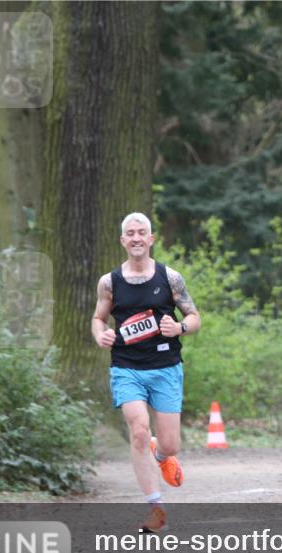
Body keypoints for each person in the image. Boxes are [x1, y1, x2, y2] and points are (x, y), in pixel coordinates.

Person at [92, 212, 201, 533]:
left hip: (166, 367)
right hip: (126, 367)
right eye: (130, 233)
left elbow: (195, 317)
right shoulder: (109, 282)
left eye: (142, 232)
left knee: (170, 445)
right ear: (123, 241)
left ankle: (160, 453)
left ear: (151, 239)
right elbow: (99, 318)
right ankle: (156, 509)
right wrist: (101, 334)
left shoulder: (171, 278)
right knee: (138, 430)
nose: (137, 237)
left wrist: (179, 327)